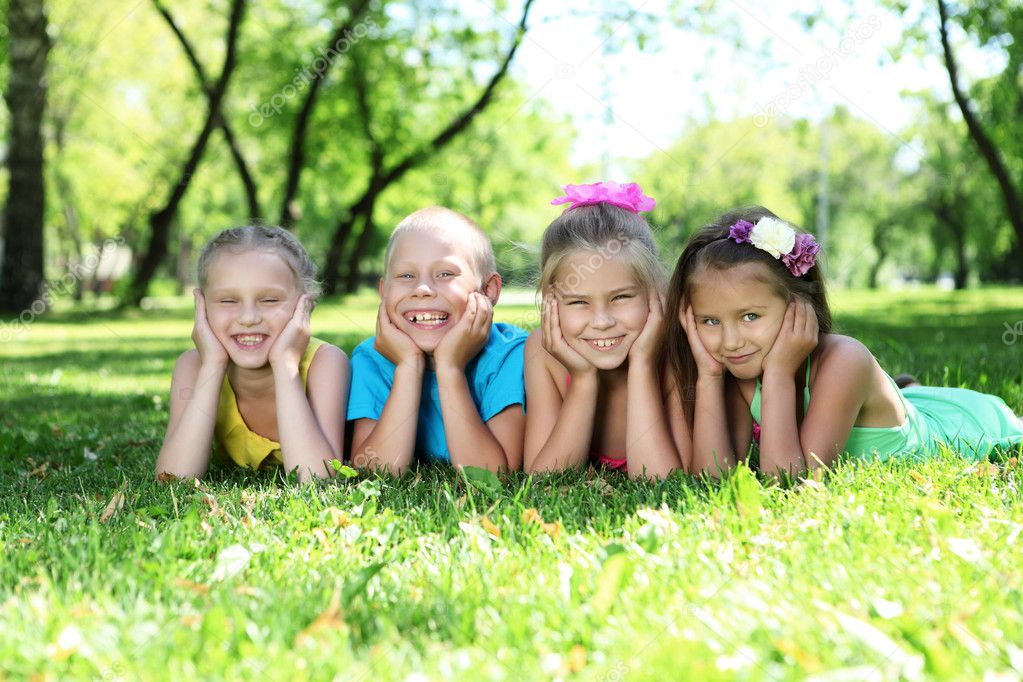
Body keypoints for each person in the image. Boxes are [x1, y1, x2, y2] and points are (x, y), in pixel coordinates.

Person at [664, 206, 1023, 477]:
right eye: (709, 321)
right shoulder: (737, 369)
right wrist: (709, 377)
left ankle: (902, 394)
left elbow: (787, 481)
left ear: (799, 306)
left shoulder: (844, 360)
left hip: (967, 426)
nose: (730, 342)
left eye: (750, 317)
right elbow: (711, 479)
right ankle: (902, 390)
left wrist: (777, 375)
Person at [156, 226, 350, 483]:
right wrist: (213, 364)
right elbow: (173, 479)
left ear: (305, 305)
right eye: (228, 301)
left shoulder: (325, 363)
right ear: (201, 305)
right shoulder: (193, 367)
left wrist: (285, 364)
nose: (248, 318)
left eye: (269, 300)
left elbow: (318, 479)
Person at [523, 182, 685, 479]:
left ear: (656, 293)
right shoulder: (543, 352)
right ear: (551, 303)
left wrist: (643, 365)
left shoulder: (676, 351)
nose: (601, 321)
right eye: (578, 301)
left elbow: (666, 482)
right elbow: (543, 480)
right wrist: (583, 379)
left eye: (621, 297)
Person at [347, 207, 527, 475]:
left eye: (445, 274)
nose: (422, 289)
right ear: (384, 293)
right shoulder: (371, 358)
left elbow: (494, 474)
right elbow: (376, 471)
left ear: (488, 291)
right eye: (406, 276)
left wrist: (450, 368)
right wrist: (408, 367)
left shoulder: (509, 354)